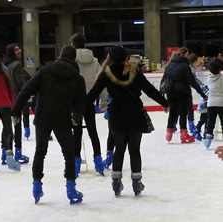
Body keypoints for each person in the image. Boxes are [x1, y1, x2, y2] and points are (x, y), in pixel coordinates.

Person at [87, 46, 169, 197]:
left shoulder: (107, 73)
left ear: (110, 58)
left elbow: (93, 94)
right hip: (134, 112)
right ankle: (136, 182)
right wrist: (163, 102)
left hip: (117, 113)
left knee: (119, 149)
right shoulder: (134, 71)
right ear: (126, 57)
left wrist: (79, 108)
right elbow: (148, 89)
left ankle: (116, 182)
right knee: (134, 150)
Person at [11, 46, 86, 205]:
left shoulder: (44, 72)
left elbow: (26, 90)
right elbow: (80, 103)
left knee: (40, 151)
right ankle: (71, 188)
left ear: (59, 56)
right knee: (69, 153)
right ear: (74, 59)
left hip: (43, 117)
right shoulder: (77, 78)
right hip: (63, 119)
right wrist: (77, 117)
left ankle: (36, 185)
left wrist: (16, 110)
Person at [70, 33, 104, 177]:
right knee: (93, 131)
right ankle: (98, 159)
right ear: (85, 44)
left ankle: (76, 161)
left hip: (75, 101)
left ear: (72, 44)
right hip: (89, 100)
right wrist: (104, 101)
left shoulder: (71, 60)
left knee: (76, 132)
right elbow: (101, 81)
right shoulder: (95, 61)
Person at [164, 47, 207, 143]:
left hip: (170, 92)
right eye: (188, 54)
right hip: (182, 92)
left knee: (173, 112)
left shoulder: (170, 65)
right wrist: (202, 93)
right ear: (184, 55)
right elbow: (191, 81)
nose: (189, 56)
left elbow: (165, 79)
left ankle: (169, 134)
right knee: (183, 113)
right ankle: (183, 135)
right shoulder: (185, 65)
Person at [2, 43, 29, 164]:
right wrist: (28, 92)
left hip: (5, 99)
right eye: (16, 50)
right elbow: (20, 83)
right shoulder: (16, 65)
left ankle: (4, 153)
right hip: (16, 100)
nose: (19, 51)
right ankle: (18, 152)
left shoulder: (3, 65)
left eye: (19, 49)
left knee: (6, 127)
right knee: (17, 126)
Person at [204, 61, 223, 149]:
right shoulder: (222, 78)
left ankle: (208, 140)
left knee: (211, 121)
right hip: (221, 102)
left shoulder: (209, 79)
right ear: (219, 69)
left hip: (211, 103)